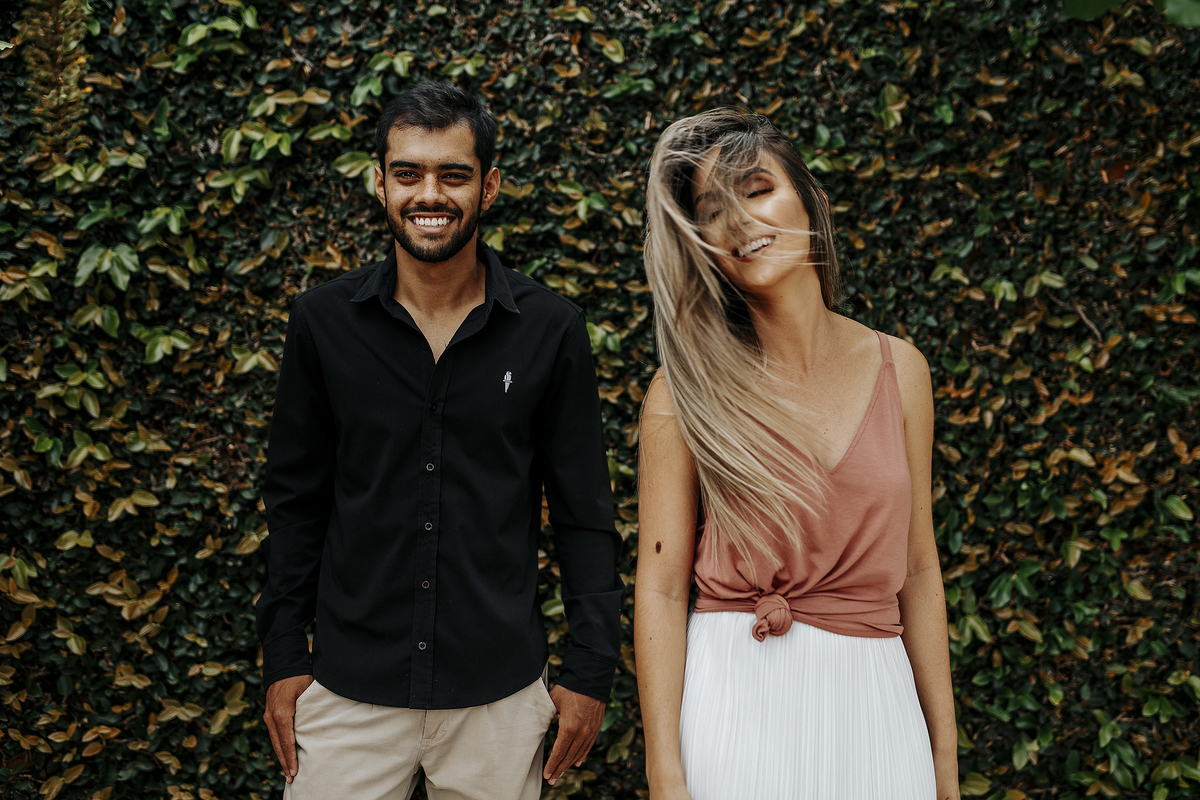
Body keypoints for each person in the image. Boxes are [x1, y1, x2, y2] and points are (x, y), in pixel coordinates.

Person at [256, 82, 624, 800]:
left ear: (489, 187)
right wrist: (281, 655)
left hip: (499, 695)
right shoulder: (322, 323)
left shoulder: (551, 330)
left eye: (453, 174)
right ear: (380, 183)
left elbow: (584, 512)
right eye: (409, 173)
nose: (430, 194)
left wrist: (590, 669)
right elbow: (296, 502)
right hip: (347, 690)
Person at [633, 108, 959, 800]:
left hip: (878, 708)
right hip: (735, 703)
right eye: (713, 211)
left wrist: (944, 761)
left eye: (757, 191)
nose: (741, 222)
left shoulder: (900, 369)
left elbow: (920, 569)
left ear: (812, 202)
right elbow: (660, 589)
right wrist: (666, 777)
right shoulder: (683, 390)